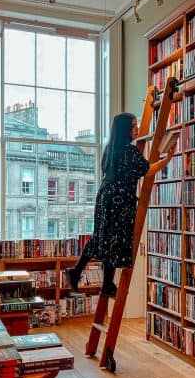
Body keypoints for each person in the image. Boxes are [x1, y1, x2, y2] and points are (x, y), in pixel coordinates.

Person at [65, 112, 175, 296]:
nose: (137, 129)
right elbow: (148, 170)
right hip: (120, 200)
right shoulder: (129, 152)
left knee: (102, 237)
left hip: (105, 197)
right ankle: (103, 282)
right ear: (126, 130)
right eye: (133, 126)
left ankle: (80, 272)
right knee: (117, 240)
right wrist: (167, 160)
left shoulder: (111, 148)